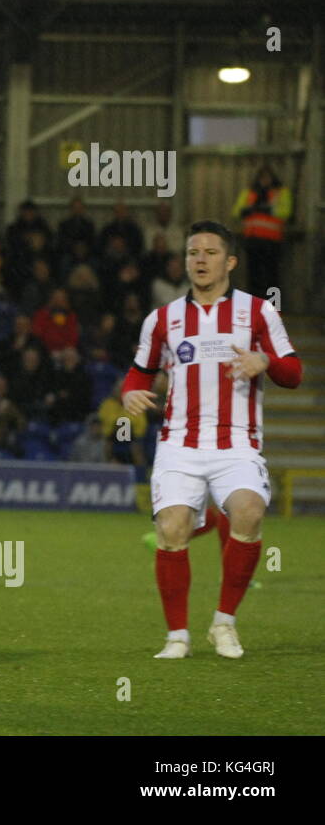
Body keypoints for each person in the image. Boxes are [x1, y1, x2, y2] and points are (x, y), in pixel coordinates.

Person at [122, 220, 302, 660]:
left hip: (237, 442)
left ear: (231, 261)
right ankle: (177, 636)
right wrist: (130, 390)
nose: (199, 260)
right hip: (180, 443)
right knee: (171, 529)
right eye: (192, 253)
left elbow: (294, 374)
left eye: (210, 252)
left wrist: (264, 360)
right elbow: (140, 371)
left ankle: (224, 623)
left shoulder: (258, 312)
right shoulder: (162, 319)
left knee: (249, 512)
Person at [231, 164, 293, 297]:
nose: (265, 181)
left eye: (267, 178)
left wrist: (268, 210)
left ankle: (274, 309)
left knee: (272, 277)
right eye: (262, 178)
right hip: (253, 240)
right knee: (253, 277)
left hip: (272, 241)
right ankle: (255, 308)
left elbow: (286, 212)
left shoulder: (281, 192)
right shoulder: (249, 192)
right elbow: (236, 211)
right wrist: (247, 210)